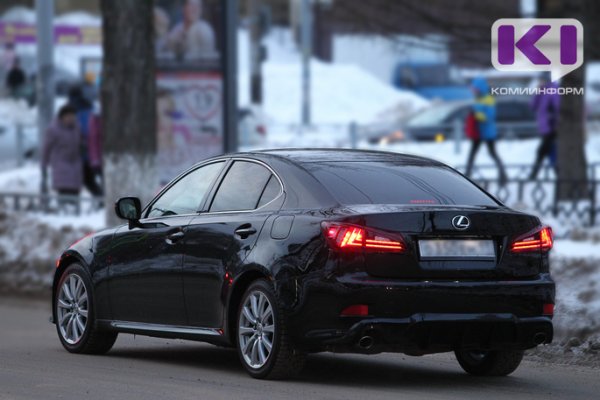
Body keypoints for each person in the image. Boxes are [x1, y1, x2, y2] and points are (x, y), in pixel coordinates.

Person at [465, 77, 508, 184]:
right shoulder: (477, 98)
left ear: (479, 88)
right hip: (478, 132)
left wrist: (476, 115)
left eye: (475, 88)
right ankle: (467, 175)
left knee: (492, 153)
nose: (473, 91)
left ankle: (503, 175)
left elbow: (489, 116)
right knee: (472, 154)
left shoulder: (488, 99)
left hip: (488, 132)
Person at [42, 105, 83, 203]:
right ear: (62, 117)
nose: (70, 119)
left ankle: (74, 214)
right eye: (68, 116)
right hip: (61, 165)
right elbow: (46, 148)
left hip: (75, 164)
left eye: (72, 116)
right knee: (64, 191)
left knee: (75, 192)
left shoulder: (76, 127)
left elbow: (80, 143)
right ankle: (64, 211)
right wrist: (44, 163)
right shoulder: (53, 129)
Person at [68, 85, 103, 196]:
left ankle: (100, 198)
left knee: (85, 178)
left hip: (80, 150)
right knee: (93, 178)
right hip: (93, 151)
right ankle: (100, 197)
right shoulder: (89, 106)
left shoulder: (71, 109)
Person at [529, 74, 560, 180]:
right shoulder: (542, 91)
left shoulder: (553, 90)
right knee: (549, 151)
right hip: (545, 127)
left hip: (551, 127)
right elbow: (533, 106)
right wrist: (538, 92)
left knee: (542, 151)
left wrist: (555, 124)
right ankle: (559, 175)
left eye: (542, 79)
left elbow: (557, 108)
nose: (540, 82)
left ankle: (533, 176)